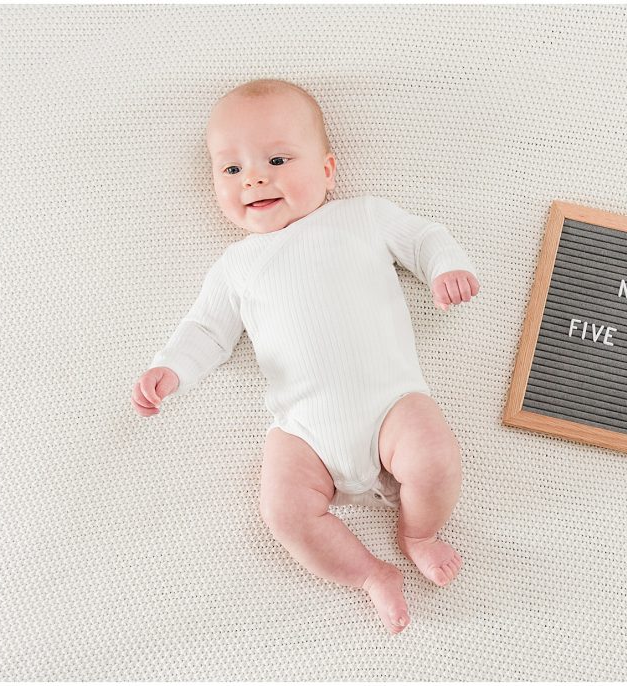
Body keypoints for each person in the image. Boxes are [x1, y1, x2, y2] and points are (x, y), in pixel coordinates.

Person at [130, 79, 480, 634]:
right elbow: (207, 331)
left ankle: (418, 533)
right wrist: (170, 370)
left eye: (276, 159)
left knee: (434, 461)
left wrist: (445, 269)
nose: (255, 178)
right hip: (303, 431)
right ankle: (368, 573)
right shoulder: (235, 266)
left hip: (389, 403)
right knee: (284, 511)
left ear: (326, 170)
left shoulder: (360, 217)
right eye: (232, 169)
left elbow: (423, 237)